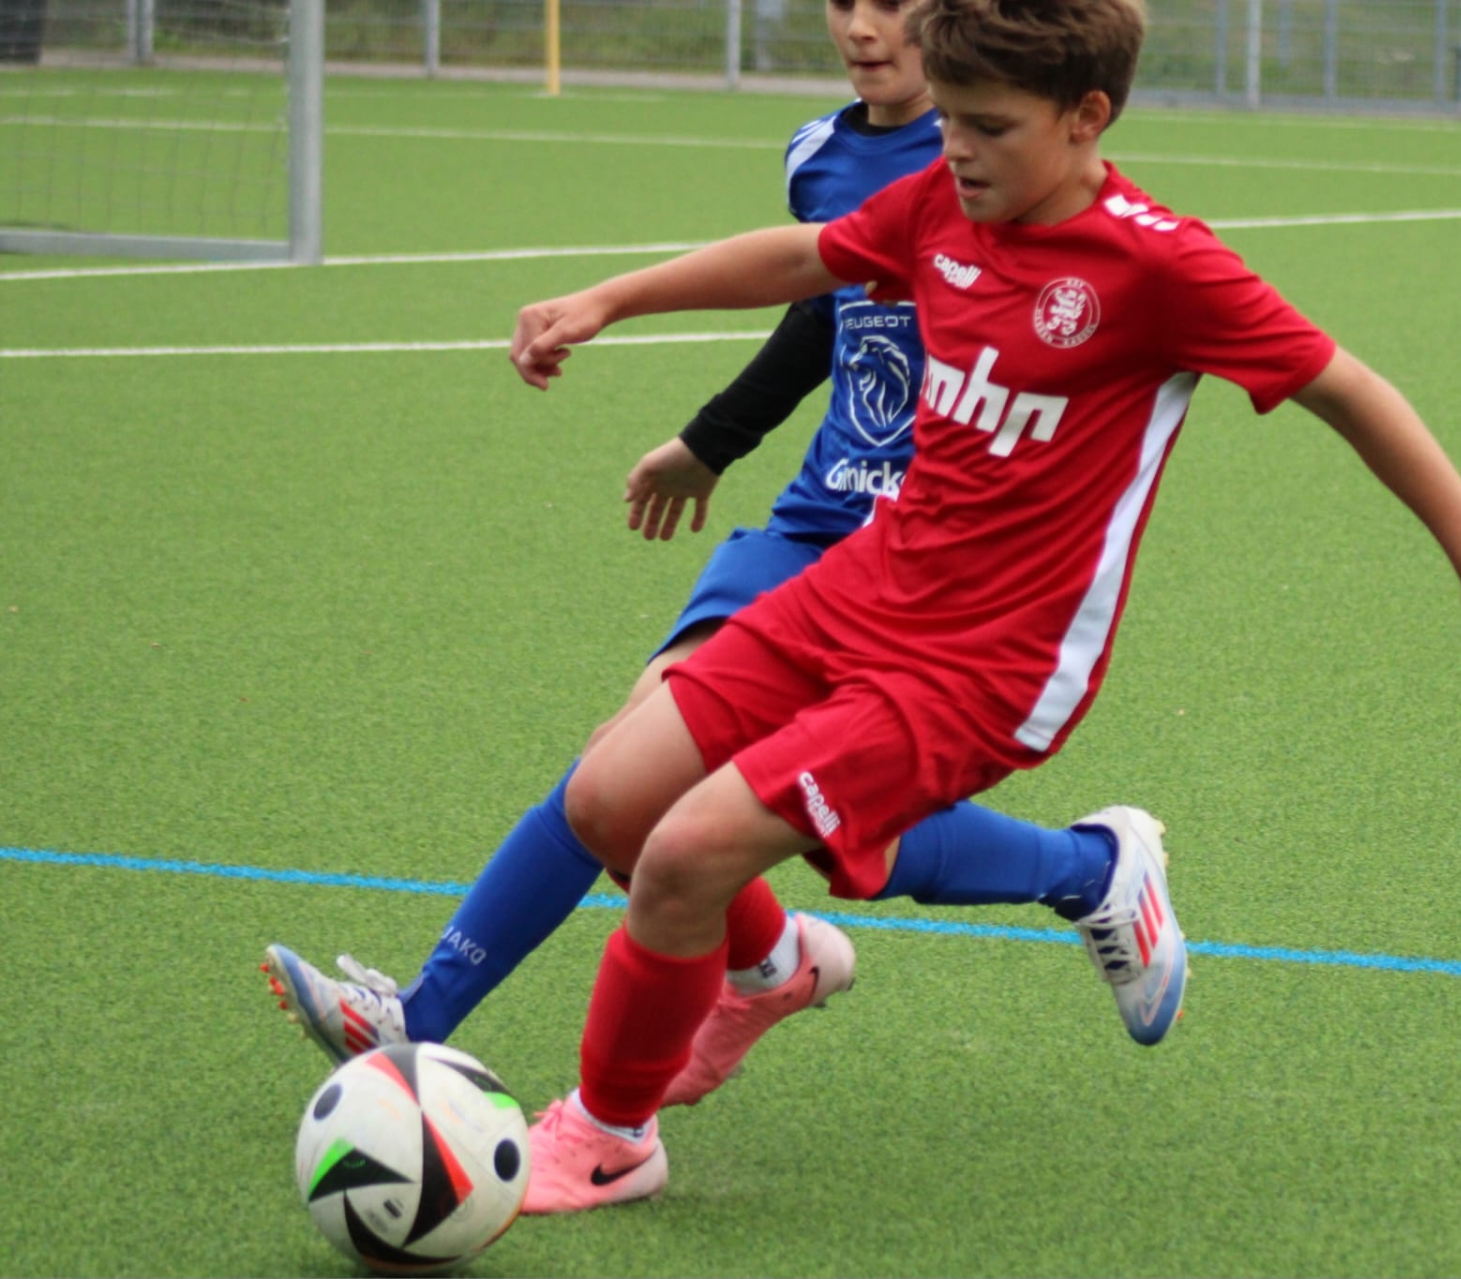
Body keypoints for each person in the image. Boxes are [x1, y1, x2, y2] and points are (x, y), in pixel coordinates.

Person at [501, 0, 1461, 1215]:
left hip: (989, 666)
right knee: (611, 798)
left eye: (990, 126)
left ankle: (611, 1134)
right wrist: (608, 301)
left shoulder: (1161, 265)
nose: (955, 147)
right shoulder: (942, 202)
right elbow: (802, 261)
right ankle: (781, 968)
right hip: (865, 587)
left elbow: (1347, 388)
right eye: (949, 118)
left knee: (688, 852)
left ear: (1087, 115)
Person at [263, 0, 1181, 1112]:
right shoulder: (825, 154)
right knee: (627, 771)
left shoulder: (1010, 161)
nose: (864, 27)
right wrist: (712, 441)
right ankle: (491, 1004)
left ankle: (1079, 873)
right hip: (817, 518)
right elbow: (823, 305)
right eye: (842, 1)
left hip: (930, 551)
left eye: (893, 5)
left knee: (785, 808)